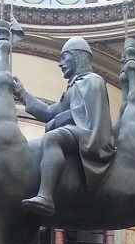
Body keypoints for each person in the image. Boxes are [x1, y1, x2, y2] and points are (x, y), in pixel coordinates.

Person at [13, 37, 116, 216]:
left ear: (77, 57)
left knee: (53, 138)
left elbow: (88, 118)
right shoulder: (74, 86)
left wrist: (58, 121)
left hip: (91, 136)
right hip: (79, 132)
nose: (60, 64)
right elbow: (50, 112)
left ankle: (45, 196)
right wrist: (22, 93)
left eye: (64, 57)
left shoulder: (93, 81)